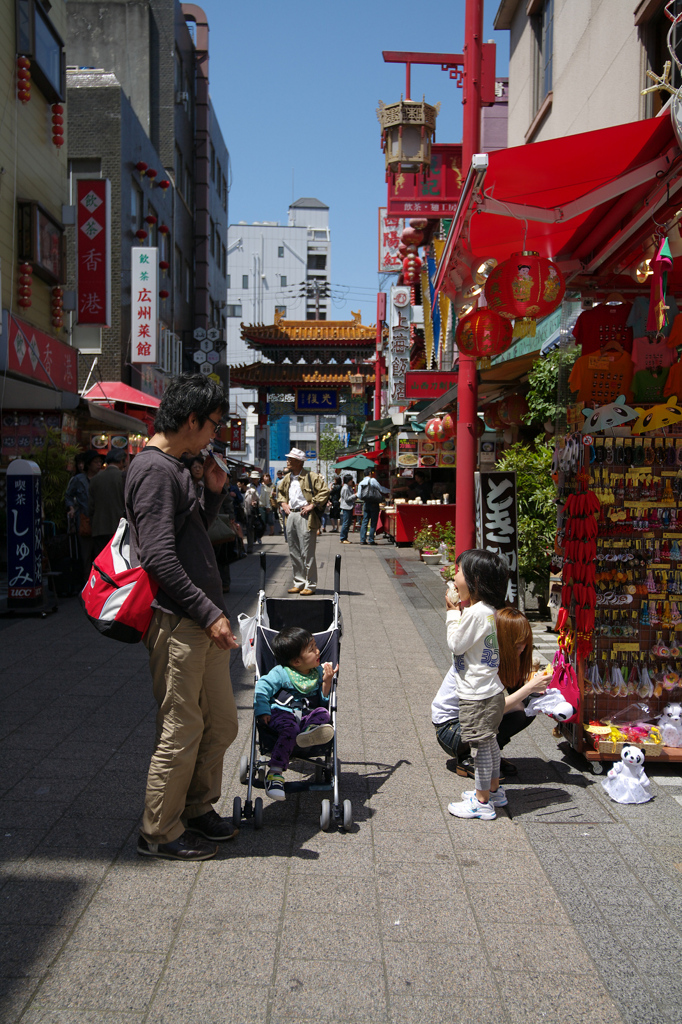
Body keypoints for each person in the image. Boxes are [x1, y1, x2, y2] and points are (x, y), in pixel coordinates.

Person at [124, 373, 240, 862]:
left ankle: (196, 807)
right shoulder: (154, 470)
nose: (216, 434)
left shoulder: (175, 466)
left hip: (200, 622)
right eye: (214, 423)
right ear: (192, 420)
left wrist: (212, 493)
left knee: (222, 722)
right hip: (180, 623)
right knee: (181, 727)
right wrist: (209, 611)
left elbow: (188, 538)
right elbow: (158, 557)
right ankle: (160, 830)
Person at [433, 607, 550, 780]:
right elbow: (489, 709)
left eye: (525, 642)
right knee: (521, 702)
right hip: (451, 729)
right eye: (518, 644)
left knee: (528, 707)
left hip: (473, 720)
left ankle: (489, 756)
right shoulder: (481, 662)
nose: (523, 648)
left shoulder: (501, 657)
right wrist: (529, 687)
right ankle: (474, 760)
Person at [441, 549, 510, 821]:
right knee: (490, 741)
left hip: (476, 695)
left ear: (475, 581)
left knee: (479, 746)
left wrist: (451, 613)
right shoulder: (488, 610)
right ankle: (493, 791)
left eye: (458, 572)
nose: (453, 577)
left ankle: (481, 802)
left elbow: (456, 644)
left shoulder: (476, 613)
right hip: (491, 690)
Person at [254, 626, 337, 801]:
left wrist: (327, 682)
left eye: (315, 645)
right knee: (290, 727)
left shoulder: (318, 672)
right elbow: (262, 687)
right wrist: (263, 710)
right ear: (297, 662)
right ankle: (275, 773)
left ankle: (309, 732)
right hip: (281, 713)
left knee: (323, 713)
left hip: (306, 717)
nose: (318, 651)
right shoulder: (282, 673)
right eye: (312, 649)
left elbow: (323, 701)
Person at [277, 447, 329, 595]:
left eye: (290, 459)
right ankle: (299, 582)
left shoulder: (311, 476)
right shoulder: (287, 478)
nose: (287, 461)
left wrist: (312, 504)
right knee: (294, 551)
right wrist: (283, 503)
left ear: (299, 462)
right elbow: (279, 493)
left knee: (307, 552)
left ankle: (310, 584)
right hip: (291, 515)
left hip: (306, 515)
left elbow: (325, 491)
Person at [65, 449, 103, 578]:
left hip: (100, 520)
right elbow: (68, 495)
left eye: (100, 462)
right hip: (84, 519)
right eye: (96, 462)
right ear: (88, 464)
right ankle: (87, 580)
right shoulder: (78, 479)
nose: (99, 465)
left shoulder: (102, 478)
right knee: (85, 553)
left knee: (100, 553)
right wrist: (71, 508)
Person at [88, 447, 128, 558]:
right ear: (121, 461)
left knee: (102, 560)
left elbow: (91, 507)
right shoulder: (123, 477)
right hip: (119, 527)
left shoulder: (95, 479)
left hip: (99, 528)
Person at [357, 467, 391, 546]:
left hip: (366, 503)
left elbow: (359, 495)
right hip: (374, 503)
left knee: (365, 521)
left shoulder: (361, 483)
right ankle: (371, 540)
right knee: (373, 522)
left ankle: (362, 539)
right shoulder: (372, 480)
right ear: (370, 473)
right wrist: (390, 490)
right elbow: (381, 489)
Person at [338, 474, 355, 544]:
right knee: (345, 523)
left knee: (348, 523)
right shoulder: (345, 488)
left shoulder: (348, 487)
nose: (352, 481)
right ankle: (343, 538)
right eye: (351, 480)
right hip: (346, 507)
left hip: (349, 507)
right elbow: (347, 498)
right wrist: (355, 495)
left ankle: (345, 537)